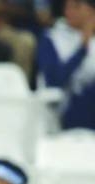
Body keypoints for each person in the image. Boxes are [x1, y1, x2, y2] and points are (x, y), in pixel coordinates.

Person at [37, 0, 95, 131]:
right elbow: (54, 82)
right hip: (64, 109)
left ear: (92, 11)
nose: (67, 12)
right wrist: (82, 48)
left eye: (76, 6)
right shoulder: (51, 38)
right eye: (66, 7)